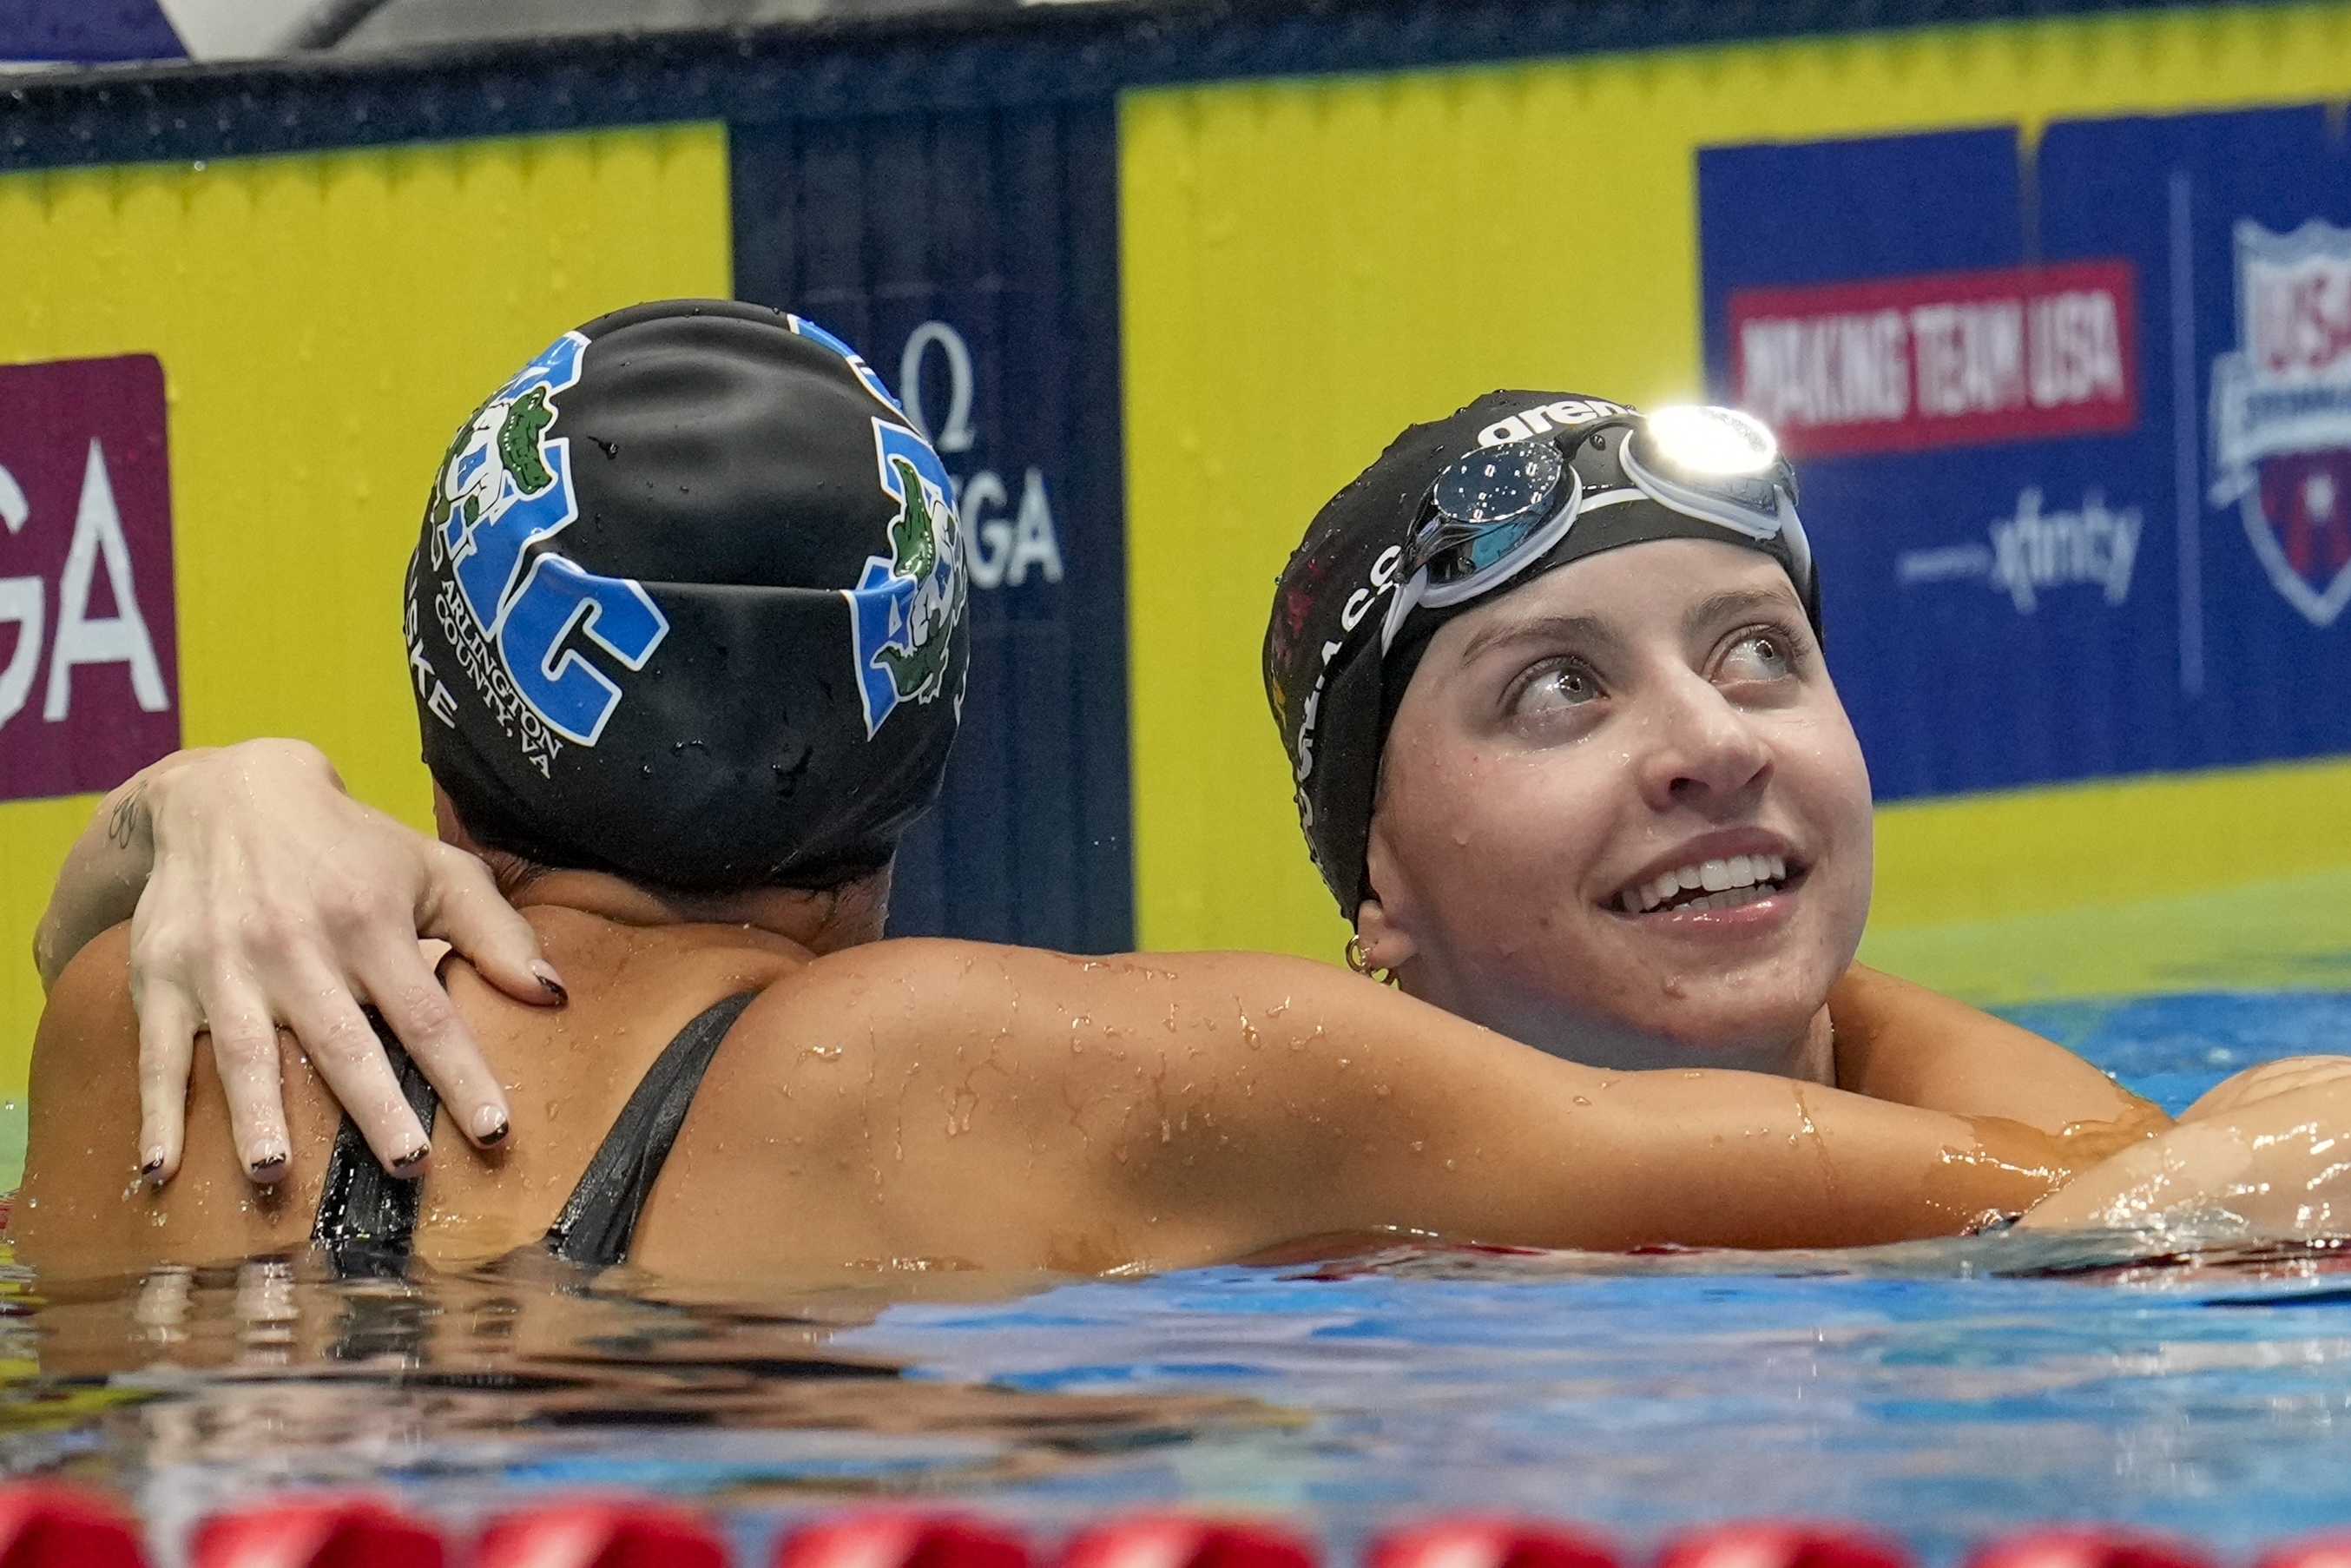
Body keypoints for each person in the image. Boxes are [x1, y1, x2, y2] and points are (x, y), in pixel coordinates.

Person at [26, 325, 2347, 1274]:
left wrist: (202, 792)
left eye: (1758, 656)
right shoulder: (1072, 1069)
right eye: (1552, 690)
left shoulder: (133, 1011)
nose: (1701, 739)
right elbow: (2115, 1205)